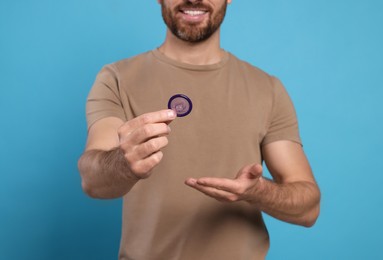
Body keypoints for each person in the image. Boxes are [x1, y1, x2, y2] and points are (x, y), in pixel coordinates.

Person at [78, 0, 321, 259]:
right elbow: (92, 180)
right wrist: (123, 163)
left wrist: (259, 192)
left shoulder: (267, 89)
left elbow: (308, 209)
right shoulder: (117, 78)